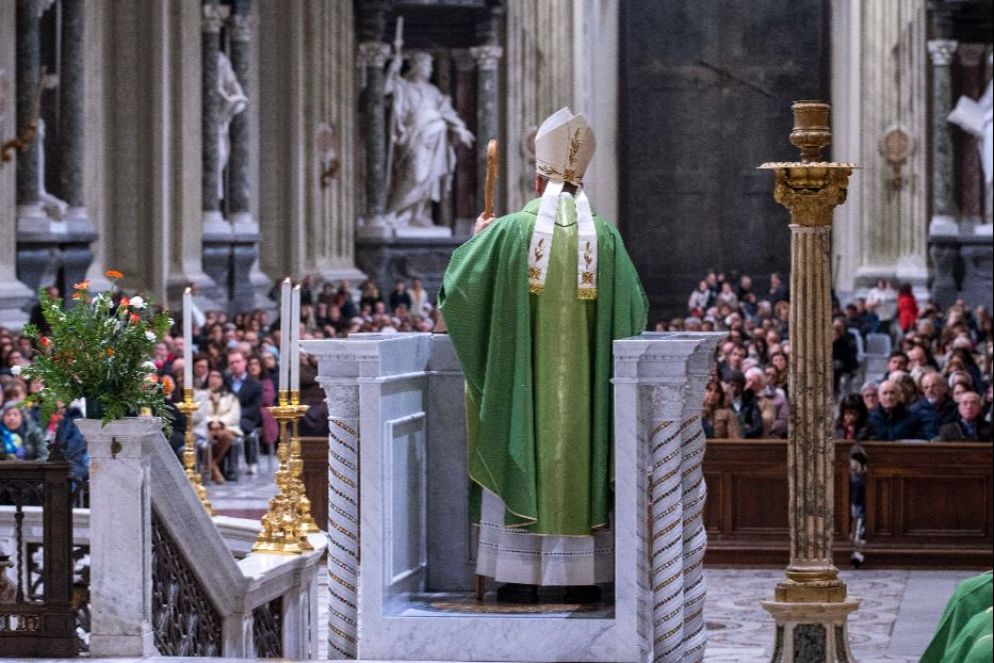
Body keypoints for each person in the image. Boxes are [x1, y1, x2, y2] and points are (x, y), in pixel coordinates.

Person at [439, 108, 647, 603]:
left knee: (523, 444)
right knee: (582, 454)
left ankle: (517, 575)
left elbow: (457, 294)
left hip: (522, 393)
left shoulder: (507, 232)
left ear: (537, 180)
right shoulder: (608, 240)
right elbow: (635, 312)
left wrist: (476, 240)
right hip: (585, 403)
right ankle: (582, 575)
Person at [384, 50, 474, 228]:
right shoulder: (403, 86)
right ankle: (391, 212)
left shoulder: (433, 91)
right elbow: (385, 90)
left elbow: (446, 112)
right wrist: (392, 69)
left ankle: (417, 213)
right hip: (414, 137)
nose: (430, 69)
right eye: (426, 65)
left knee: (430, 179)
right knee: (416, 176)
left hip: (436, 138)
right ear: (416, 66)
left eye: (431, 66)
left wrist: (460, 129)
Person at [193, 369, 242, 484]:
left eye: (218, 376)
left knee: (226, 436)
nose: (214, 379)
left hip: (225, 427)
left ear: (223, 379)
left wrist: (220, 423)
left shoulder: (231, 396)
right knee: (204, 438)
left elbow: (234, 414)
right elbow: (199, 413)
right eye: (212, 376)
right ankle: (214, 468)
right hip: (205, 427)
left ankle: (211, 465)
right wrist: (210, 423)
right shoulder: (201, 395)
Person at [226, 350, 262, 476]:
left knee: (233, 429)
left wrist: (235, 415)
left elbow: (254, 408)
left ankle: (233, 467)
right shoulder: (226, 382)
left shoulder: (255, 384)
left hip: (247, 419)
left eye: (238, 362)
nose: (235, 365)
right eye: (232, 363)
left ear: (244, 362)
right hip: (226, 418)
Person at [910, 372, 958, 440]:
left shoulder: (955, 408)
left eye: (934, 386)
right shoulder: (914, 410)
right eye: (926, 387)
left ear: (944, 388)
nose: (930, 390)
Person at [728, 371, 763, 439]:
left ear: (742, 387)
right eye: (732, 385)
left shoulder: (750, 403)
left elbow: (758, 427)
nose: (734, 389)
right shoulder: (722, 403)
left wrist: (744, 432)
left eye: (737, 386)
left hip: (746, 441)